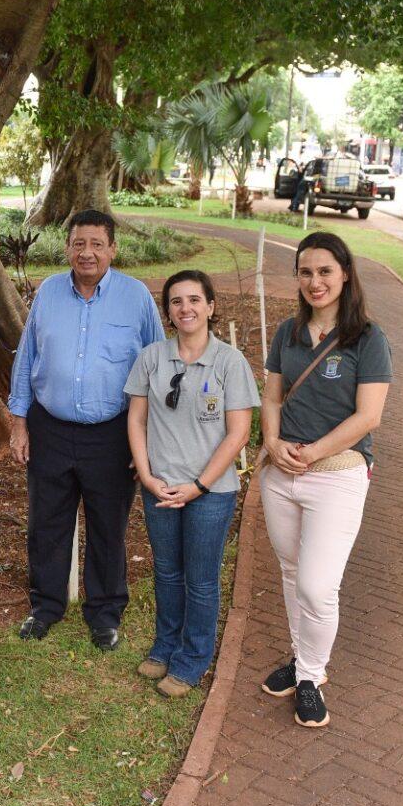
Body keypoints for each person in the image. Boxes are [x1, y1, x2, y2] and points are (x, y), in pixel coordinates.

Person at [8, 210, 163, 650]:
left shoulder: (136, 298)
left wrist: (145, 441)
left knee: (108, 525)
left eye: (97, 244)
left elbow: (155, 366)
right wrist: (19, 424)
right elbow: (27, 359)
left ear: (113, 249)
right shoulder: (49, 293)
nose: (87, 252)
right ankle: (46, 606)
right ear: (67, 248)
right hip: (50, 427)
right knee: (47, 523)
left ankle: (105, 612)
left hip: (112, 433)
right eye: (79, 243)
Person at [258, 232, 391, 729]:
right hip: (280, 475)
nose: (315, 282)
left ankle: (312, 675)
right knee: (292, 574)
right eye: (306, 272)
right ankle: (301, 658)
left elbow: (369, 416)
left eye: (325, 272)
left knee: (317, 585)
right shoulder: (288, 333)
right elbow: (271, 397)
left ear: (345, 275)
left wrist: (312, 452)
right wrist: (272, 444)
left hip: (336, 476)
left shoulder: (369, 339)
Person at [125, 271, 258, 697]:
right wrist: (147, 475)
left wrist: (199, 486)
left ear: (211, 307)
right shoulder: (150, 358)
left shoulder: (229, 362)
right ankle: (165, 645)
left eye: (195, 300)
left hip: (210, 493)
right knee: (166, 572)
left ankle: (192, 660)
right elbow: (137, 418)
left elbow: (238, 433)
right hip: (160, 487)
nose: (186, 308)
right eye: (177, 301)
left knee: (200, 580)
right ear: (167, 311)